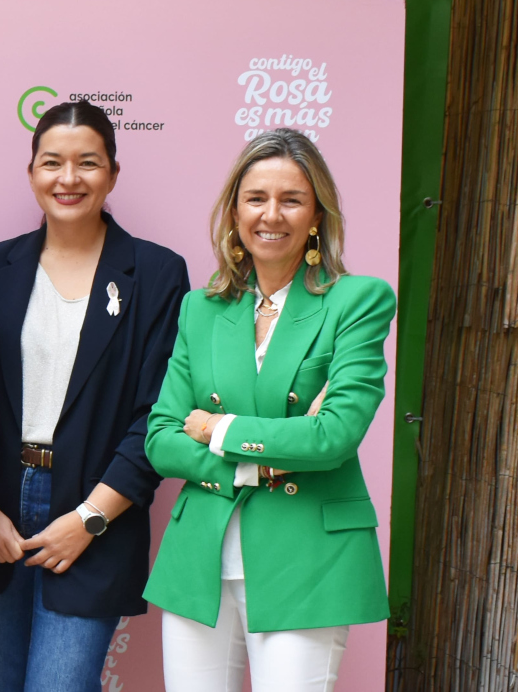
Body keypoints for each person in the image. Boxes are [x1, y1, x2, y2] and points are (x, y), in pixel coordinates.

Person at [145, 128, 393, 690]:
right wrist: (259, 462)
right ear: (235, 211)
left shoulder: (358, 301)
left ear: (317, 215)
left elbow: (332, 437)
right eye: (256, 198)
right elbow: (161, 438)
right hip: (200, 557)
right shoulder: (201, 309)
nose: (271, 215)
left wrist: (216, 426)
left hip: (307, 558)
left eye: (292, 199)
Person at [0, 102, 190, 691]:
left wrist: (90, 518)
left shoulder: (156, 273)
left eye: (87, 163)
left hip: (96, 512)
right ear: (31, 172)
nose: (69, 178)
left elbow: (157, 414)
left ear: (113, 173)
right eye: (52, 162)